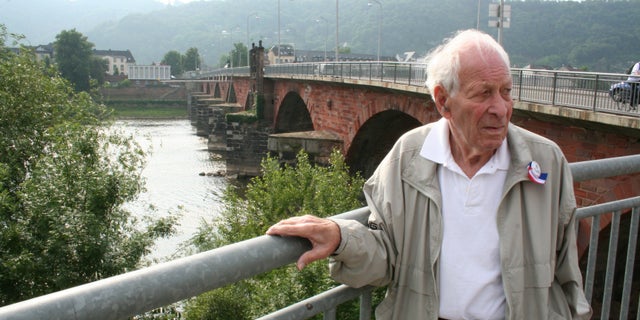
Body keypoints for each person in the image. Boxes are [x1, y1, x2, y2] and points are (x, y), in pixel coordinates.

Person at [266, 29, 592, 319]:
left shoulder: (545, 160)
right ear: (443, 101)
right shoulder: (408, 158)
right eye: (483, 93)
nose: (501, 108)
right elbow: (388, 258)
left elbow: (568, 257)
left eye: (505, 91)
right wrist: (341, 237)